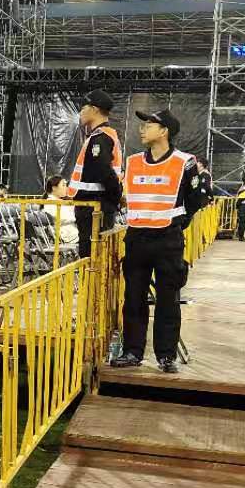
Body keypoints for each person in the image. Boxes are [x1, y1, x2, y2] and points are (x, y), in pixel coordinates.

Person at [110, 109, 207, 374]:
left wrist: (177, 223)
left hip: (167, 240)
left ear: (164, 131)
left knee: (168, 300)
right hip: (137, 239)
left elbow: (196, 199)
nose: (142, 129)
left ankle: (166, 356)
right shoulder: (133, 162)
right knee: (133, 298)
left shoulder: (184, 162)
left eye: (149, 125)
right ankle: (132, 352)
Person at [67, 89, 123, 258]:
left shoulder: (100, 138)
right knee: (96, 254)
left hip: (95, 207)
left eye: (83, 108)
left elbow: (104, 172)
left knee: (92, 256)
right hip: (96, 205)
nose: (81, 112)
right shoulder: (103, 135)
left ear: (94, 109)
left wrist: (116, 196)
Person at [45, 174, 79, 246]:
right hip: (67, 235)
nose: (66, 188)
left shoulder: (60, 201)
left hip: (71, 232)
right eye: (63, 185)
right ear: (54, 188)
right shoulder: (50, 203)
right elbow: (65, 218)